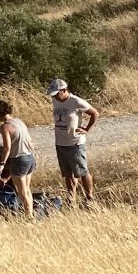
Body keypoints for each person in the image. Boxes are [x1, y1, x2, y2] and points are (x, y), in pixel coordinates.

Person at [48, 78, 99, 206]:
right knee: (68, 174)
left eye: (57, 94)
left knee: (82, 171)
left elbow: (94, 113)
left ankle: (89, 198)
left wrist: (87, 129)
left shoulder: (75, 101)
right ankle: (71, 199)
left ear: (64, 90)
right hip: (60, 142)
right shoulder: (55, 100)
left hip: (75, 143)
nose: (55, 97)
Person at [0, 97, 36, 216]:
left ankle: (29, 217)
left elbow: (7, 148)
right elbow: (31, 141)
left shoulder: (5, 127)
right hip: (30, 157)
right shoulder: (19, 121)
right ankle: (30, 214)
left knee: (22, 193)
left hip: (19, 159)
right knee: (27, 190)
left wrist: (1, 166)